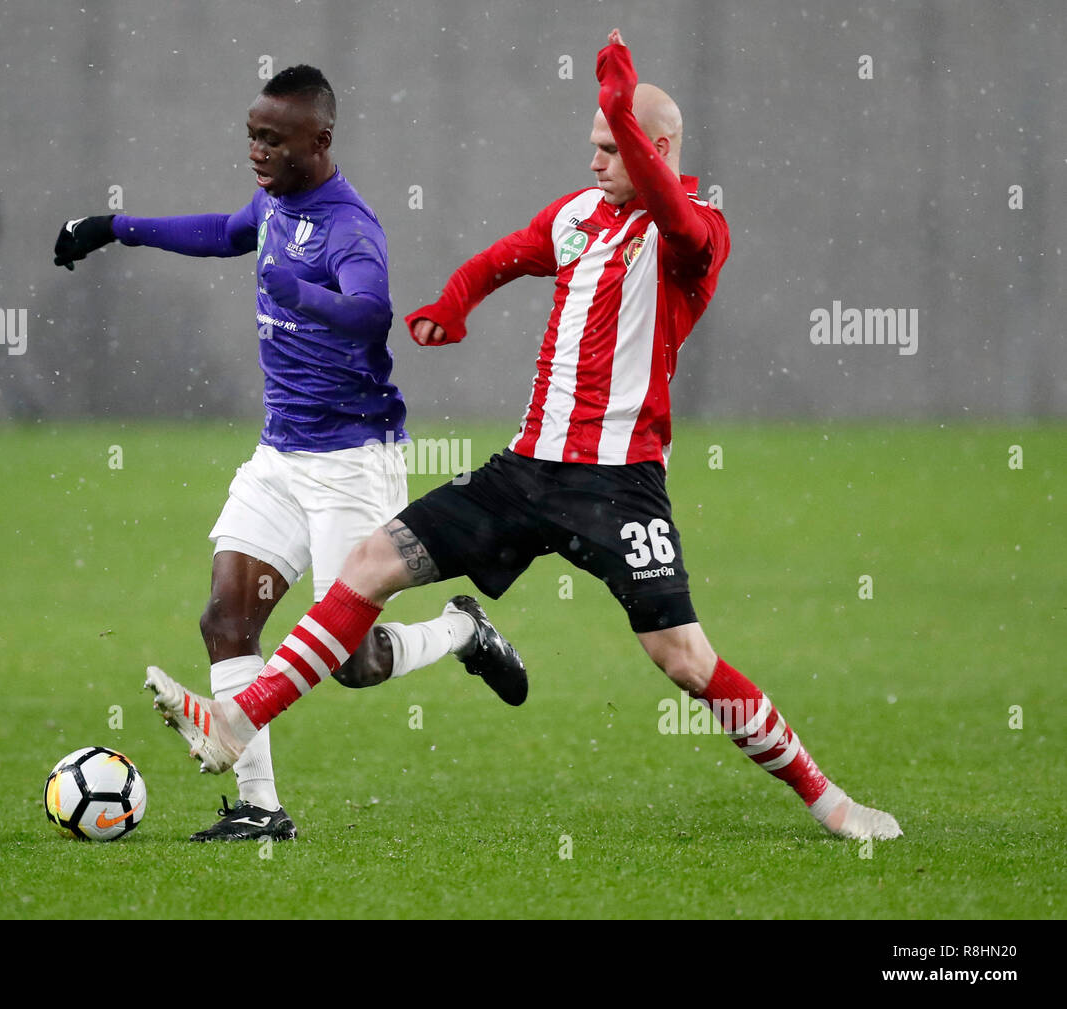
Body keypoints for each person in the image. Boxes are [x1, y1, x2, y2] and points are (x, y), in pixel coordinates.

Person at [151, 32, 903, 842]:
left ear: (656, 150)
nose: (594, 162)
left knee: (683, 658)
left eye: (611, 146)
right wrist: (456, 301)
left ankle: (830, 801)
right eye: (592, 145)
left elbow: (668, 204)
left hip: (616, 484)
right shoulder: (580, 215)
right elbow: (508, 256)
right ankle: (235, 724)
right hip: (525, 468)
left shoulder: (696, 233)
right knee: (370, 565)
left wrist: (620, 97)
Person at [54, 65, 526, 842]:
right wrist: (116, 227)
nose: (256, 150)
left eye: (272, 138)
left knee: (356, 661)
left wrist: (298, 292)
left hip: (352, 462)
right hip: (280, 455)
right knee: (226, 616)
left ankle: (462, 629)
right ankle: (260, 807)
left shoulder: (350, 226)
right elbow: (226, 234)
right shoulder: (274, 203)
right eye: (251, 134)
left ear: (322, 139)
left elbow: (370, 311)